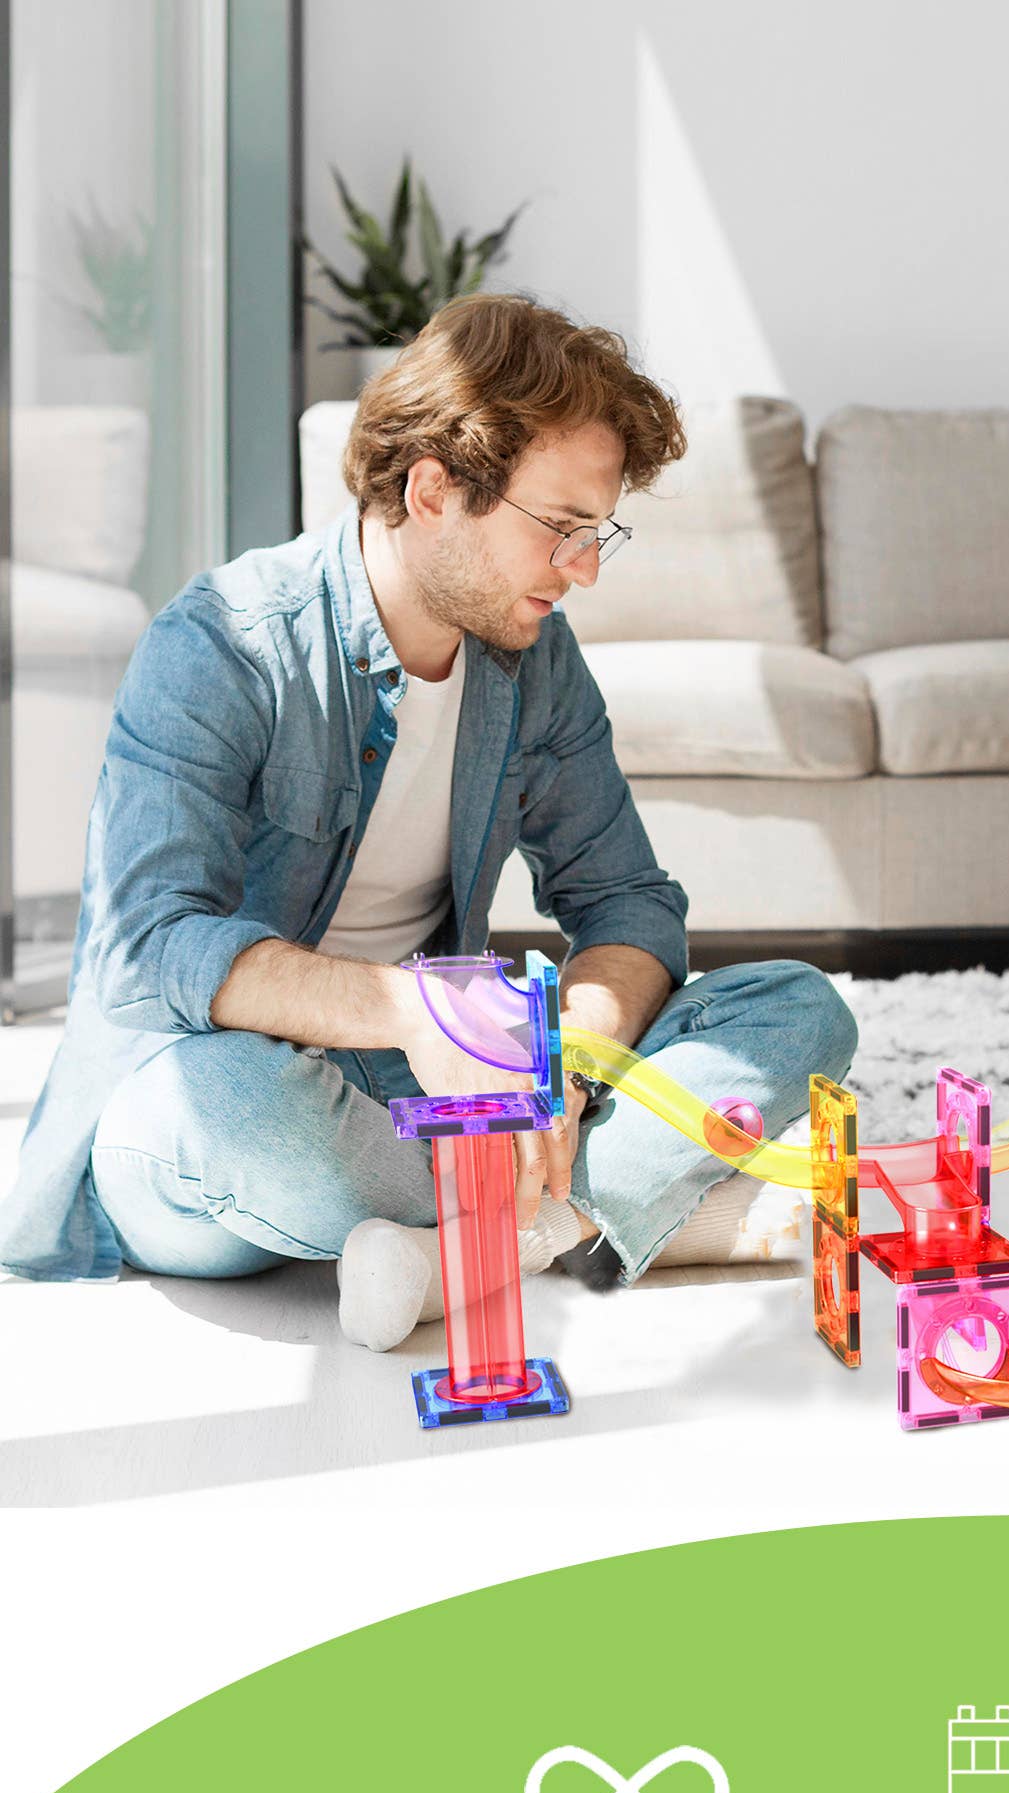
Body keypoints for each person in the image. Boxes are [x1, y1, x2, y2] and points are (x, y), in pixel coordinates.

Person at [0, 293, 856, 1351]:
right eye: (561, 528)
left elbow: (626, 901)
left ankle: (464, 1251)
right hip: (228, 1086)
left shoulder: (536, 660)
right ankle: (590, 1213)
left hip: (436, 1094)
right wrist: (416, 1015)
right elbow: (146, 946)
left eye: (600, 533)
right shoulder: (222, 643)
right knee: (232, 1099)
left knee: (795, 1006)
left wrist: (564, 1071)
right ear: (434, 490)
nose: (584, 569)